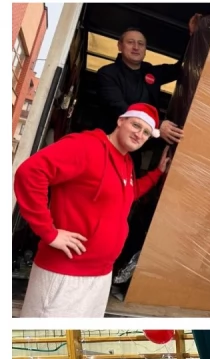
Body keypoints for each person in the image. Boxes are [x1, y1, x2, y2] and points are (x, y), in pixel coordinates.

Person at [14, 103, 171, 317]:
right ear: (121, 121)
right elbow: (30, 173)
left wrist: (157, 173)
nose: (139, 134)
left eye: (145, 132)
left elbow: (127, 194)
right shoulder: (85, 145)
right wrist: (49, 232)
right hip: (65, 274)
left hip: (101, 276)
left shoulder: (126, 161)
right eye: (136, 125)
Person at [95, 23, 200, 145]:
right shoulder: (107, 73)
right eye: (130, 42)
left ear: (145, 50)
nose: (136, 47)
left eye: (141, 44)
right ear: (120, 46)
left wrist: (193, 36)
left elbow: (179, 69)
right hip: (111, 143)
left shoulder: (150, 71)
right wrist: (157, 124)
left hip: (141, 143)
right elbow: (118, 107)